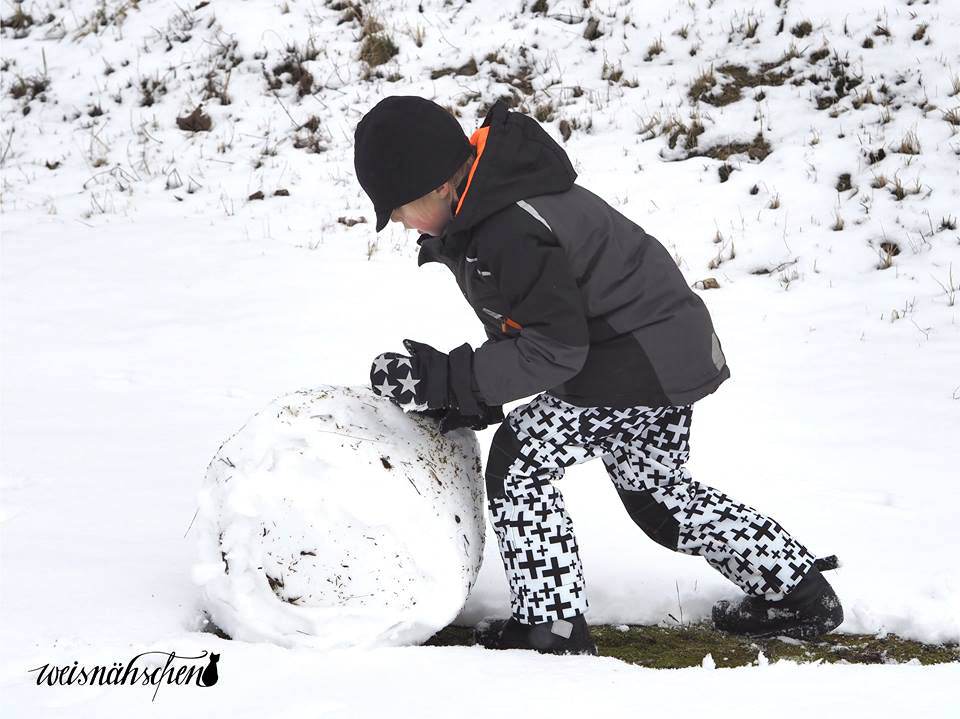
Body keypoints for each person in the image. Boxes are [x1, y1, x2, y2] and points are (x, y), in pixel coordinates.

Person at [353, 95, 843, 656]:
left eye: (395, 207)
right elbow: (528, 328)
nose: (395, 222)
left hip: (633, 357)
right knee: (659, 497)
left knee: (521, 463)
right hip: (662, 352)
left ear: (437, 184)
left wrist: (449, 379)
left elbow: (554, 349)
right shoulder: (491, 208)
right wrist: (464, 392)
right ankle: (799, 592)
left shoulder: (507, 227)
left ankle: (552, 627)